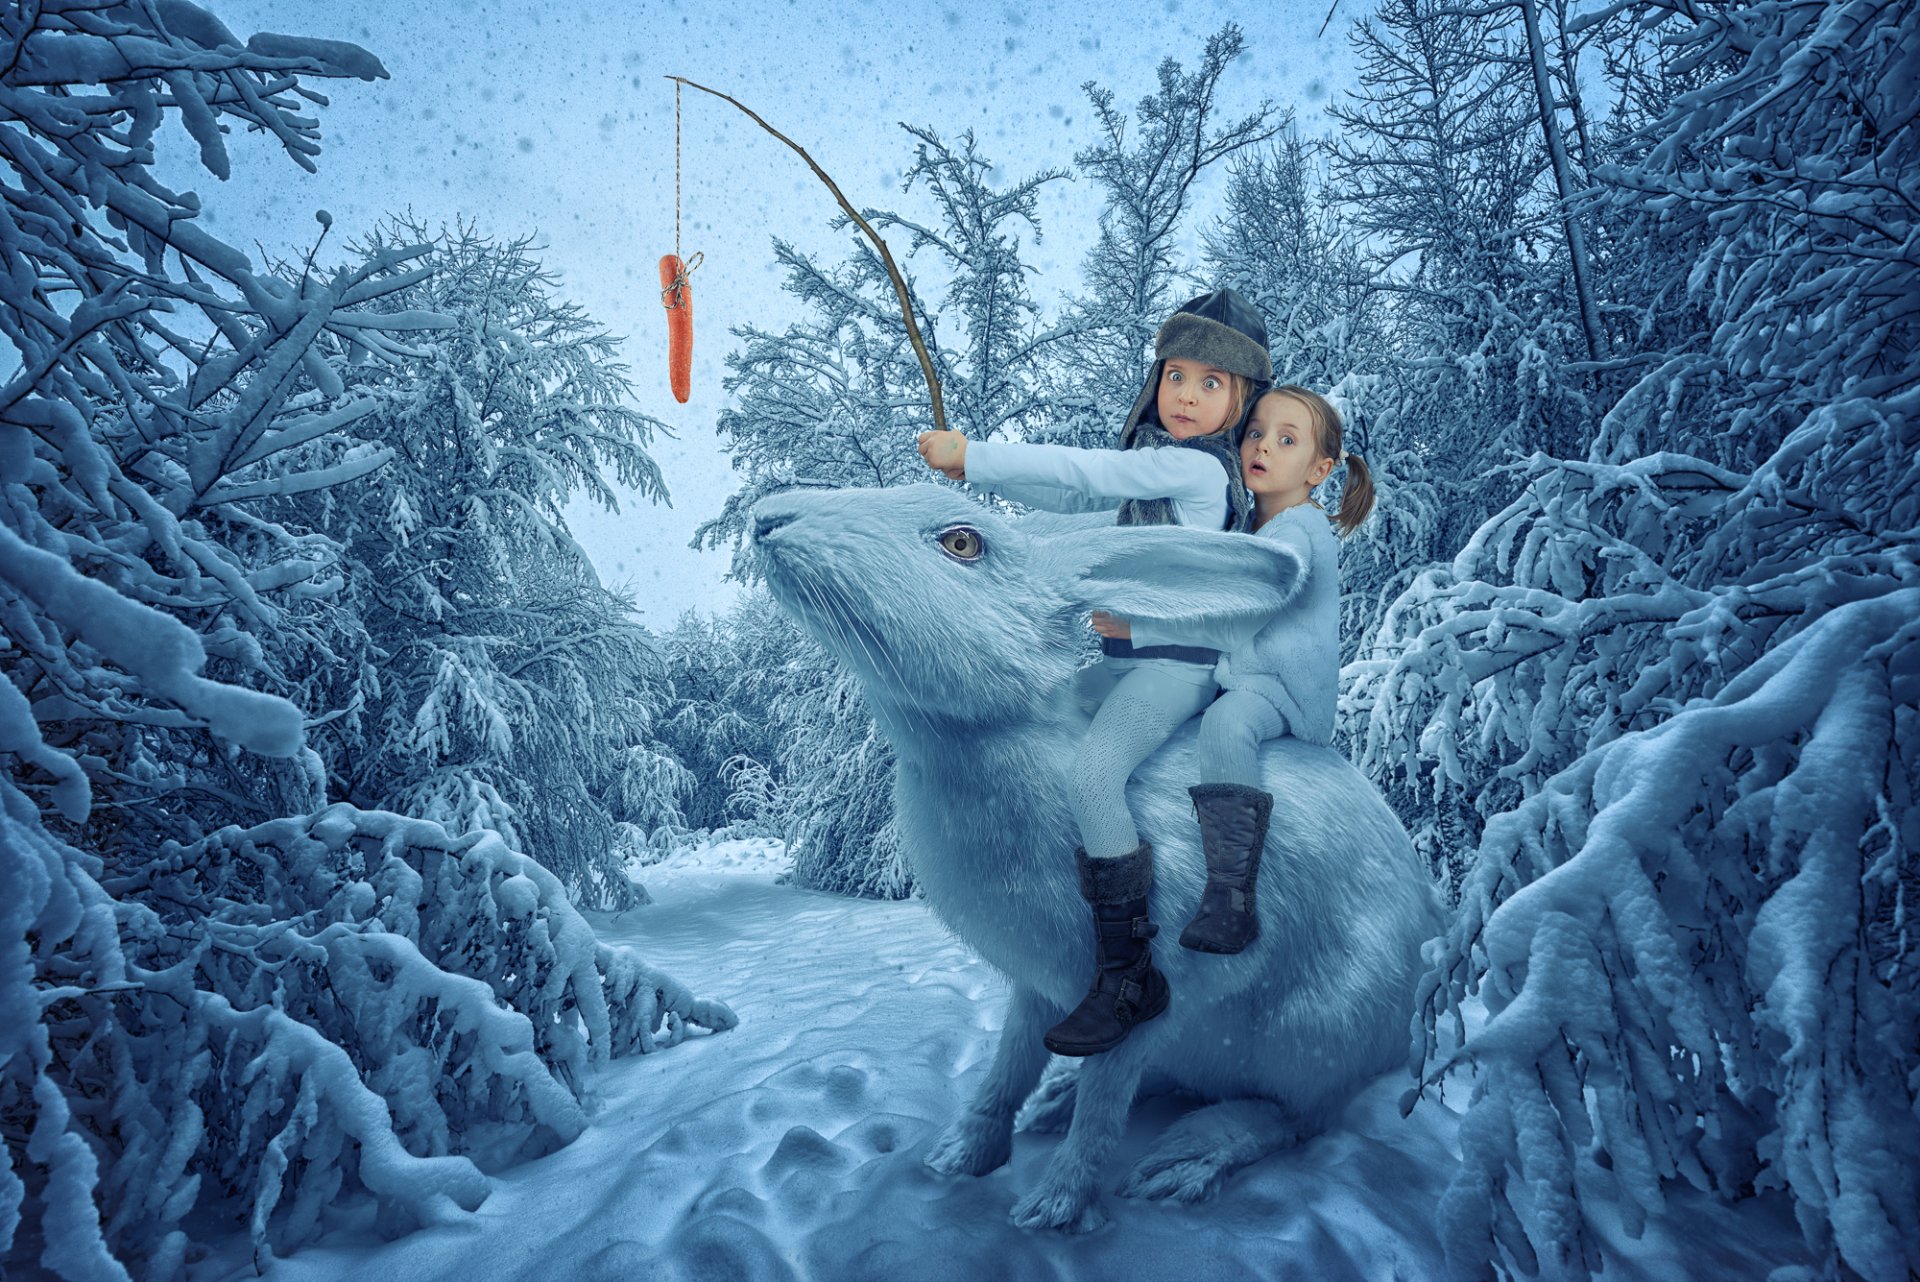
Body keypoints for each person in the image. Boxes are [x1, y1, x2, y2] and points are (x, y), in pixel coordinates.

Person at [916, 288, 1272, 1056]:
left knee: (1091, 775)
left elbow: (1091, 473)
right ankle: (1068, 912)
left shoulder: (1199, 475)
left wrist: (973, 456)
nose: (1187, 396)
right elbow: (1066, 513)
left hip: (1175, 667)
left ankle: (1130, 974)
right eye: (1178, 375)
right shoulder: (1157, 475)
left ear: (1241, 401)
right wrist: (980, 509)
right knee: (1033, 726)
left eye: (1213, 384)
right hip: (1124, 661)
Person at [1097, 385, 1375, 955]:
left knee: (1226, 727)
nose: (1263, 446)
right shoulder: (1261, 527)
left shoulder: (1296, 533)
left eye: (1286, 440)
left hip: (1279, 688)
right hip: (1249, 674)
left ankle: (1232, 895)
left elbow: (1233, 623)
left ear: (1319, 469)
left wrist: (1141, 629)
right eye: (1256, 433)